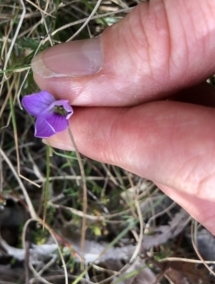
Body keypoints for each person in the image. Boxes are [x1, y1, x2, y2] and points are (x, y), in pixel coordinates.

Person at [30, 0, 215, 235]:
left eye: (59, 110)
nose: (60, 110)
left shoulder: (62, 105)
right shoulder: (56, 111)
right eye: (59, 111)